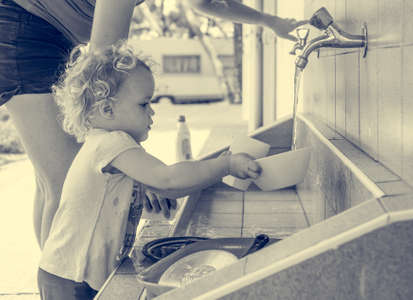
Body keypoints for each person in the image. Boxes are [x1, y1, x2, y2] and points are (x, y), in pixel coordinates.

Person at [0, 0, 306, 249]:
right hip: (22, 31)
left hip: (43, 32)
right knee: (62, 180)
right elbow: (105, 72)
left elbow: (211, 4)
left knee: (50, 181)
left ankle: (56, 279)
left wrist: (271, 21)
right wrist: (140, 168)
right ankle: (62, 281)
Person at [37, 41, 262, 299]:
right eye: (144, 105)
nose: (152, 112)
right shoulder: (112, 142)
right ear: (107, 110)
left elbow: (170, 188)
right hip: (69, 277)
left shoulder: (109, 145)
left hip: (70, 274)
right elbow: (168, 178)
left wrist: (207, 175)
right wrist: (226, 164)